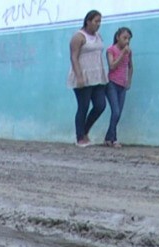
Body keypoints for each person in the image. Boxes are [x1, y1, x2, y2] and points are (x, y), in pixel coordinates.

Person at [67, 10, 107, 148]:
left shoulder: (98, 36)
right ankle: (80, 138)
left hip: (97, 76)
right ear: (88, 21)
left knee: (100, 105)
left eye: (100, 21)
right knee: (83, 106)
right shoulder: (79, 37)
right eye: (96, 21)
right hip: (83, 75)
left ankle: (85, 131)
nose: (98, 24)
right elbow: (73, 57)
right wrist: (79, 77)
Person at [104, 27, 134, 147]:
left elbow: (131, 66)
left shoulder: (129, 52)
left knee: (118, 113)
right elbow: (112, 66)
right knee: (115, 111)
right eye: (125, 38)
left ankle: (107, 138)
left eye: (129, 39)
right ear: (118, 37)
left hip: (122, 85)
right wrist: (122, 53)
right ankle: (113, 139)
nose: (127, 41)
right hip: (112, 84)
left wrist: (129, 81)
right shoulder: (111, 50)